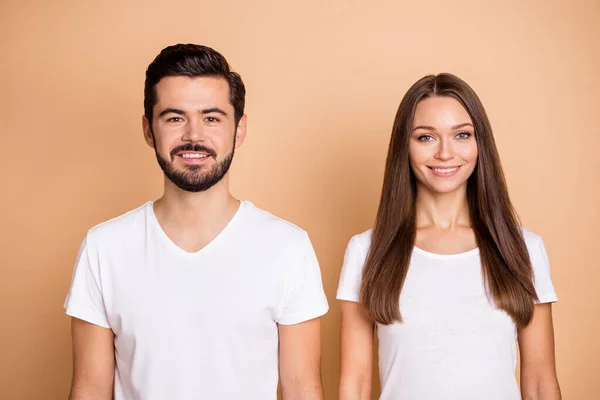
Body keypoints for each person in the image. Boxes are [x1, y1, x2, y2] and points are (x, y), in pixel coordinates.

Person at [64, 43, 329, 400]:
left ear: (240, 129)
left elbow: (303, 389)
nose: (194, 135)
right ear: (148, 130)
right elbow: (90, 387)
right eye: (174, 118)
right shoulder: (104, 247)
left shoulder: (288, 248)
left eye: (212, 117)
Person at [337, 73, 561, 400]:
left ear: (479, 143)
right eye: (426, 138)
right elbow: (354, 386)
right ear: (405, 146)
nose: (445, 153)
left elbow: (541, 383)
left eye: (461, 135)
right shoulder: (367, 251)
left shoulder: (524, 249)